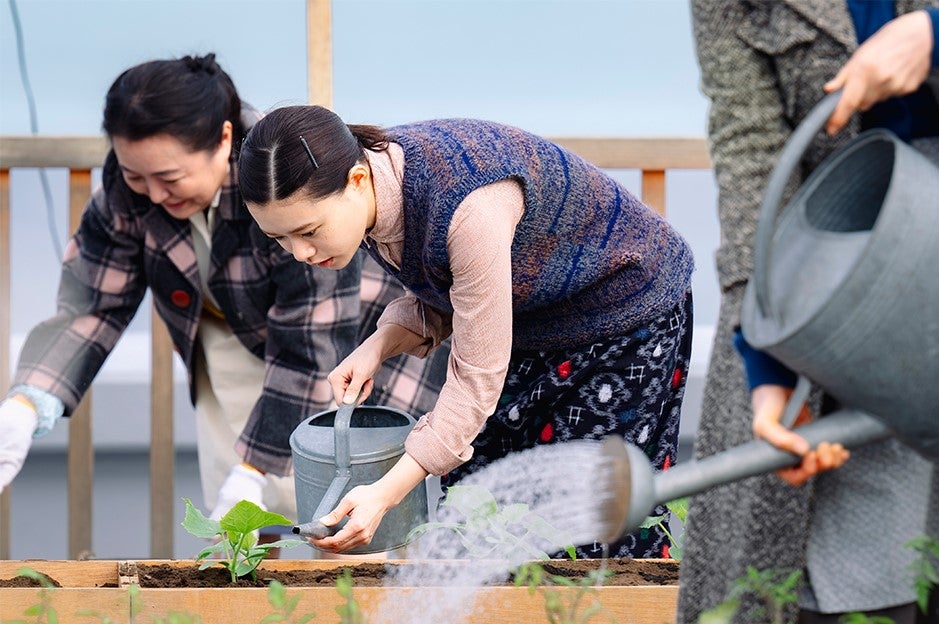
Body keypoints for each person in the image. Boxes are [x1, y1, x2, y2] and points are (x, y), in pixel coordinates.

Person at [0, 54, 448, 552]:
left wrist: (253, 470)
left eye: (169, 178)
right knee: (244, 523)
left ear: (224, 139)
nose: (151, 193)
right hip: (230, 340)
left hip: (356, 341)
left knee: (355, 508)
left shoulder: (280, 176)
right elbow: (91, 303)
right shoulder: (131, 189)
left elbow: (310, 340)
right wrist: (27, 401)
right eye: (135, 176)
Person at [235, 105, 695, 559]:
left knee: (588, 525)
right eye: (280, 239)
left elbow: (477, 379)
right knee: (476, 511)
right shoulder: (374, 190)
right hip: (535, 319)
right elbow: (454, 291)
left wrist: (386, 492)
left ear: (356, 180)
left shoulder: (466, 204)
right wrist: (378, 346)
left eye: (308, 231)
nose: (299, 252)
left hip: (626, 311)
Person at [681, 3, 939, 622]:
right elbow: (756, 165)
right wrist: (768, 366)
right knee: (823, 569)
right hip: (838, 269)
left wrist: (933, 35)